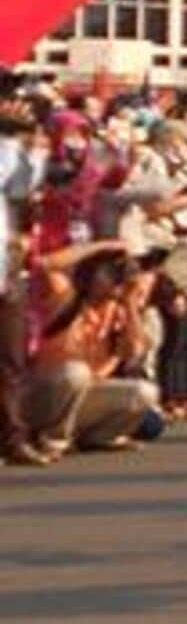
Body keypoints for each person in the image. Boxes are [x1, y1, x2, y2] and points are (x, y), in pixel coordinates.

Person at [24, 243, 161, 457]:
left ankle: (97, 438)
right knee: (76, 372)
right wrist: (105, 245)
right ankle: (53, 439)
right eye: (110, 272)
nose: (116, 279)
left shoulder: (117, 311)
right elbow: (45, 265)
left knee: (144, 393)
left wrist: (130, 302)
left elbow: (134, 351)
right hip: (40, 392)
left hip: (80, 395)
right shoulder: (67, 298)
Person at [1, 87, 49, 465]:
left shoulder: (13, 146)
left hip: (5, 262)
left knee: (11, 357)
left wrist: (32, 144)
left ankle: (12, 436)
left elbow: (20, 188)